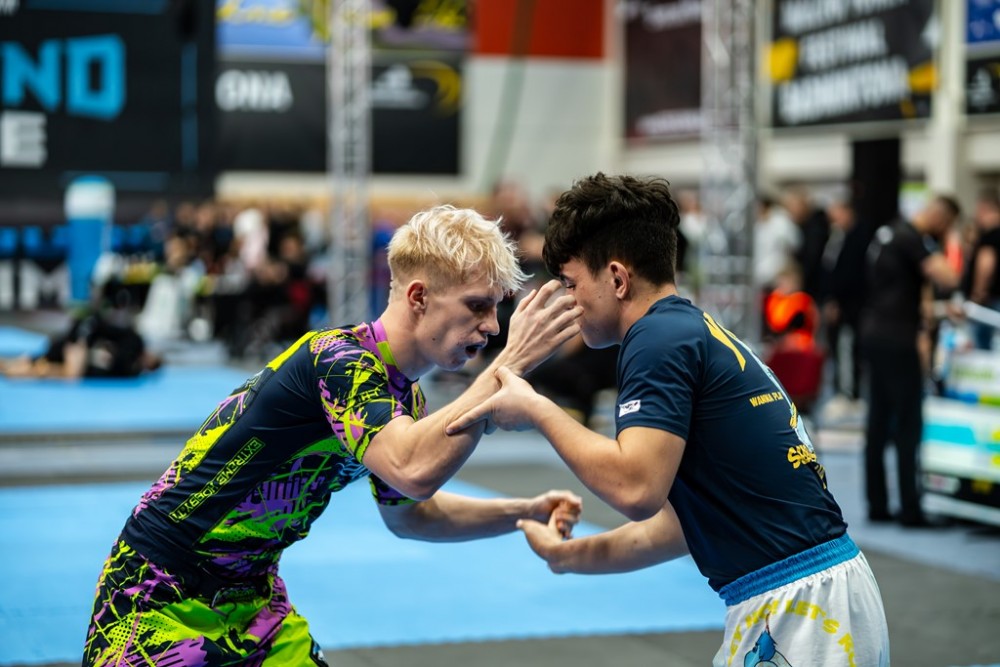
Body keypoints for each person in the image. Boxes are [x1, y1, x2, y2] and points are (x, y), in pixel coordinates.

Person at [81, 205, 583, 666]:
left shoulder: (405, 402)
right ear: (419, 297)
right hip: (157, 591)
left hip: (253, 601)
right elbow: (413, 468)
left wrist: (524, 512)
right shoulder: (339, 361)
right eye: (477, 306)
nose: (492, 326)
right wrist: (510, 366)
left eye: (495, 308)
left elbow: (412, 514)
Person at [447, 173, 890, 667]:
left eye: (572, 284)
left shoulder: (656, 339)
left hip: (800, 604)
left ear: (617, 279)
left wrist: (535, 408)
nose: (569, 301)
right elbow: (677, 525)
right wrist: (566, 556)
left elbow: (636, 489)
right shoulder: (690, 329)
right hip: (820, 592)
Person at [860, 195, 960, 527]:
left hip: (873, 331)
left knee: (877, 422)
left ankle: (877, 504)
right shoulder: (912, 238)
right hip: (897, 338)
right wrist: (949, 245)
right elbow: (947, 276)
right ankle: (910, 509)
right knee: (907, 423)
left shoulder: (887, 233)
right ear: (940, 217)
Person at [0, 307, 162, 379]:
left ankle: (20, 368)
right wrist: (81, 341)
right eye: (151, 359)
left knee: (63, 369)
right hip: (79, 343)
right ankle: (22, 368)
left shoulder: (131, 369)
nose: (147, 362)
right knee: (68, 370)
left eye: (150, 366)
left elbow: (103, 372)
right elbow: (97, 323)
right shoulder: (134, 341)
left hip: (81, 360)